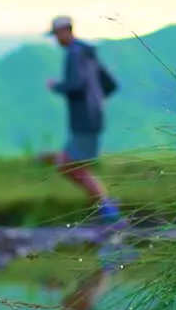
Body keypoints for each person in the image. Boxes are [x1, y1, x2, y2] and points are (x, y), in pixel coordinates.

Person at [40, 15, 128, 230]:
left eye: (56, 35)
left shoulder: (74, 54)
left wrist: (56, 86)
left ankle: (109, 211)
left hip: (83, 119)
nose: (56, 41)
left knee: (71, 166)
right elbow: (110, 84)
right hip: (93, 116)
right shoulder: (88, 52)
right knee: (74, 165)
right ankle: (104, 208)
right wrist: (96, 100)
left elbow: (76, 84)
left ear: (64, 32)